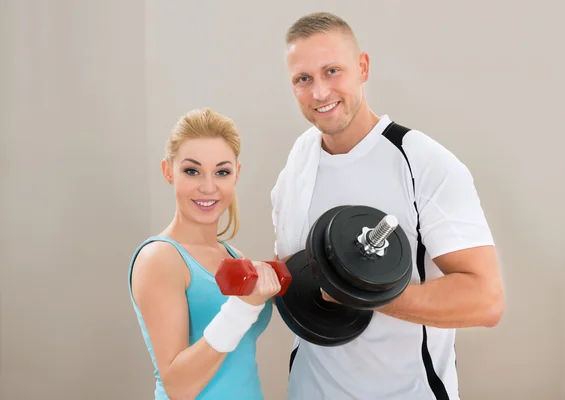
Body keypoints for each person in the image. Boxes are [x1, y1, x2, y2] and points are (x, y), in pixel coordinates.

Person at [270, 12, 505, 400]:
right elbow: (298, 270)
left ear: (362, 67)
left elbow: (486, 299)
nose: (320, 93)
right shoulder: (296, 162)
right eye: (303, 79)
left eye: (332, 71)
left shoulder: (423, 163)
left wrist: (358, 291)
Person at [128, 107, 281, 400]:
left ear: (236, 174)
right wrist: (244, 307)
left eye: (221, 172)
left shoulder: (234, 256)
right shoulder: (159, 258)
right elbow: (178, 387)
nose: (208, 187)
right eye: (192, 171)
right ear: (167, 171)